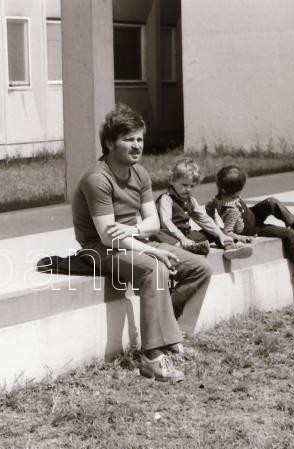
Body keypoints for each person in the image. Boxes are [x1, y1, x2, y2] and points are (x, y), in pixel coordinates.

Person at [71, 104, 212, 383]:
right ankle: (152, 357)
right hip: (99, 249)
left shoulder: (140, 173)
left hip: (134, 241)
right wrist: (150, 250)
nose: (137, 146)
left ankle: (176, 338)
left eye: (139, 139)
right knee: (154, 268)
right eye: (128, 139)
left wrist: (135, 230)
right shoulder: (97, 179)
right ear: (110, 143)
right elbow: (108, 237)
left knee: (200, 268)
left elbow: (153, 223)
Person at [205, 165, 294, 285]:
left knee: (272, 202)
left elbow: (210, 206)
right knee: (290, 234)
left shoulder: (221, 196)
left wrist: (212, 214)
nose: (240, 193)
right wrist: (243, 238)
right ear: (227, 190)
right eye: (238, 191)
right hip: (250, 229)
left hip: (250, 215)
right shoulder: (230, 210)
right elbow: (227, 232)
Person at [152, 157, 252, 260]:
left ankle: (229, 247)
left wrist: (219, 234)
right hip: (171, 236)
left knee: (217, 231)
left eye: (192, 186)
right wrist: (181, 238)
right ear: (172, 180)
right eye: (185, 185)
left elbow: (203, 219)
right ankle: (185, 248)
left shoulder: (190, 200)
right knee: (157, 233)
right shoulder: (167, 198)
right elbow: (166, 222)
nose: (188, 189)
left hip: (187, 236)